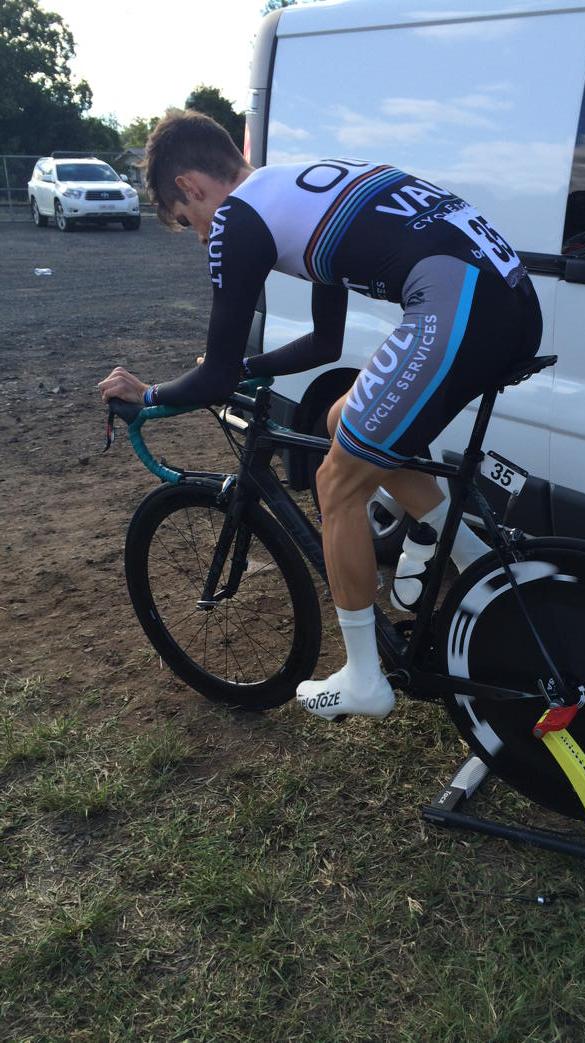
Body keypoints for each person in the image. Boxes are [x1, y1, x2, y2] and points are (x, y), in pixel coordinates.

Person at [99, 110, 542, 722]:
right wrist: (249, 366)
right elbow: (324, 345)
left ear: (189, 187)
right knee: (343, 421)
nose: (202, 235)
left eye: (188, 222)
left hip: (460, 300)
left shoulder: (237, 217)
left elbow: (216, 376)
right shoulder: (293, 190)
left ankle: (365, 678)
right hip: (506, 298)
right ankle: (477, 563)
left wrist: (146, 396)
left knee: (336, 482)